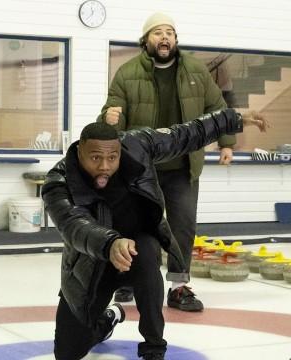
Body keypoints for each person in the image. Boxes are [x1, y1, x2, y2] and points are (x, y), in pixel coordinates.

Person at [43, 109, 268, 360]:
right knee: (67, 353)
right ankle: (109, 319)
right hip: (92, 264)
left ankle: (154, 348)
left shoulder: (138, 145)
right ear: (79, 152)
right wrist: (111, 243)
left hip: (139, 253)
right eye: (95, 158)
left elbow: (185, 135)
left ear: (119, 151)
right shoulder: (58, 181)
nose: (104, 166)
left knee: (147, 250)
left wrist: (232, 119)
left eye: (112, 157)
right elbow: (74, 226)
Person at [99, 12, 238, 310]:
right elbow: (111, 113)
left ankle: (178, 286)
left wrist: (226, 143)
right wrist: (110, 119)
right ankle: (126, 280)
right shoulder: (127, 72)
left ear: (175, 39)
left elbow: (218, 107)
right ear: (146, 40)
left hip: (183, 167)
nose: (164, 38)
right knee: (133, 224)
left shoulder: (196, 71)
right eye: (158, 33)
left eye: (169, 33)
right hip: (139, 168)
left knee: (182, 226)